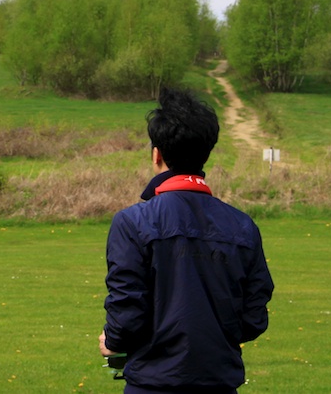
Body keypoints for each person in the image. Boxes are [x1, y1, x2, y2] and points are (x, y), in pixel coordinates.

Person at [99, 86, 274, 394]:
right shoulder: (242, 226)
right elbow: (254, 314)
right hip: (219, 382)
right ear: (206, 153)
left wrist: (112, 341)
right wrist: (214, 337)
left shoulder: (132, 222)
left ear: (156, 154)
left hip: (152, 384)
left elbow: (127, 306)